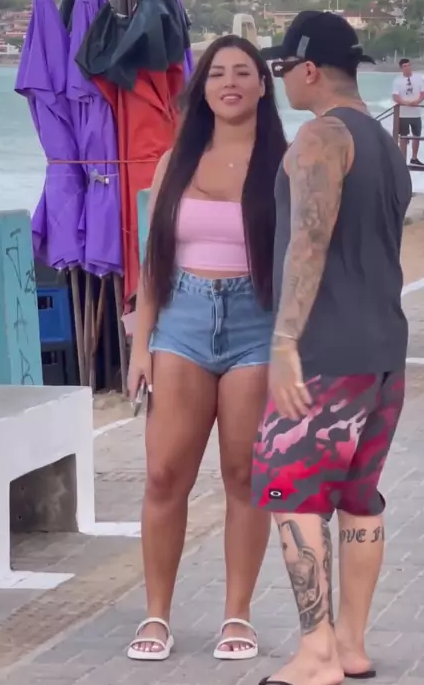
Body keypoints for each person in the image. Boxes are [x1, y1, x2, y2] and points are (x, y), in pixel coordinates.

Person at [252, 11, 412, 685]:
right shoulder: (384, 144)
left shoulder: (321, 136)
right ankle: (350, 644)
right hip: (384, 351)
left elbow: (308, 243)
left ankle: (316, 652)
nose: (281, 79)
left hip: (326, 351)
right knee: (358, 496)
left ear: (309, 69)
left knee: (290, 489)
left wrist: (285, 339)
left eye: (283, 68)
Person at [127, 35, 287, 661]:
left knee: (244, 474)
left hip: (256, 324)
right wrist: (141, 348)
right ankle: (156, 616)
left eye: (243, 72)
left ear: (262, 86)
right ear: (203, 88)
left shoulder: (285, 163)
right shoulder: (177, 159)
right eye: (217, 73)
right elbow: (153, 261)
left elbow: (304, 257)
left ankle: (237, 616)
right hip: (182, 323)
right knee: (165, 473)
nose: (230, 83)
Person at [392, 57, 424, 165]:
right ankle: (402, 160)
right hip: (403, 114)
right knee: (403, 137)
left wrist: (418, 101)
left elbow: (423, 93)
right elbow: (395, 96)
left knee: (416, 135)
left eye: (409, 65)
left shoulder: (418, 79)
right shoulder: (397, 81)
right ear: (401, 68)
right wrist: (404, 102)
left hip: (416, 113)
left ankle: (414, 158)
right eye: (405, 66)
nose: (407, 68)